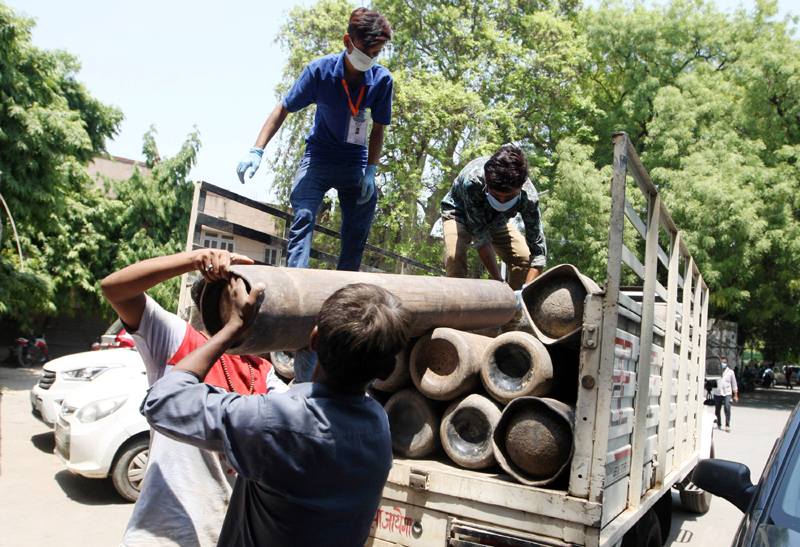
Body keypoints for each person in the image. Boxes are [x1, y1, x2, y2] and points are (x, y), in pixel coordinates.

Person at [142, 282, 411, 547]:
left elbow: (161, 402)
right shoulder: (377, 424)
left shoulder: (275, 422)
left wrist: (232, 328)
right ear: (388, 371)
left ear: (314, 340)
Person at [101, 249, 286, 547]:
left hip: (222, 535)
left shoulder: (262, 372)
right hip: (161, 535)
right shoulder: (179, 340)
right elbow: (114, 289)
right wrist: (194, 259)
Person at [236, 7, 393, 274]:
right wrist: (256, 150)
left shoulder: (382, 81)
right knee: (304, 217)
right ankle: (297, 284)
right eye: (365, 50)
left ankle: (345, 289)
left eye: (375, 53)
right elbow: (283, 108)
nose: (370, 58)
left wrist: (371, 171)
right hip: (318, 157)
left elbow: (378, 129)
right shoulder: (319, 72)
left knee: (357, 228)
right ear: (347, 41)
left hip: (354, 162)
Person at [440, 144, 547, 331]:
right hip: (459, 213)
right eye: (497, 196)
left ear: (520, 186)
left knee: (523, 257)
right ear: (488, 185)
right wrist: (499, 283)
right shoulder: (472, 182)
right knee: (455, 259)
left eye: (509, 197)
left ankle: (509, 326)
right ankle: (455, 325)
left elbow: (538, 254)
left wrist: (523, 294)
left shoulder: (529, 198)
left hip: (497, 221)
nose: (502, 201)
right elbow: (481, 237)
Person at [713, 358, 739, 431]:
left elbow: (734, 384)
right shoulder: (716, 372)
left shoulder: (730, 372)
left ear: (727, 363)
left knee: (727, 408)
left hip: (727, 393)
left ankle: (727, 424)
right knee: (717, 409)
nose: (723, 364)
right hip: (717, 392)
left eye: (724, 362)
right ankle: (719, 424)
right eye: (721, 362)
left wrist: (735, 395)